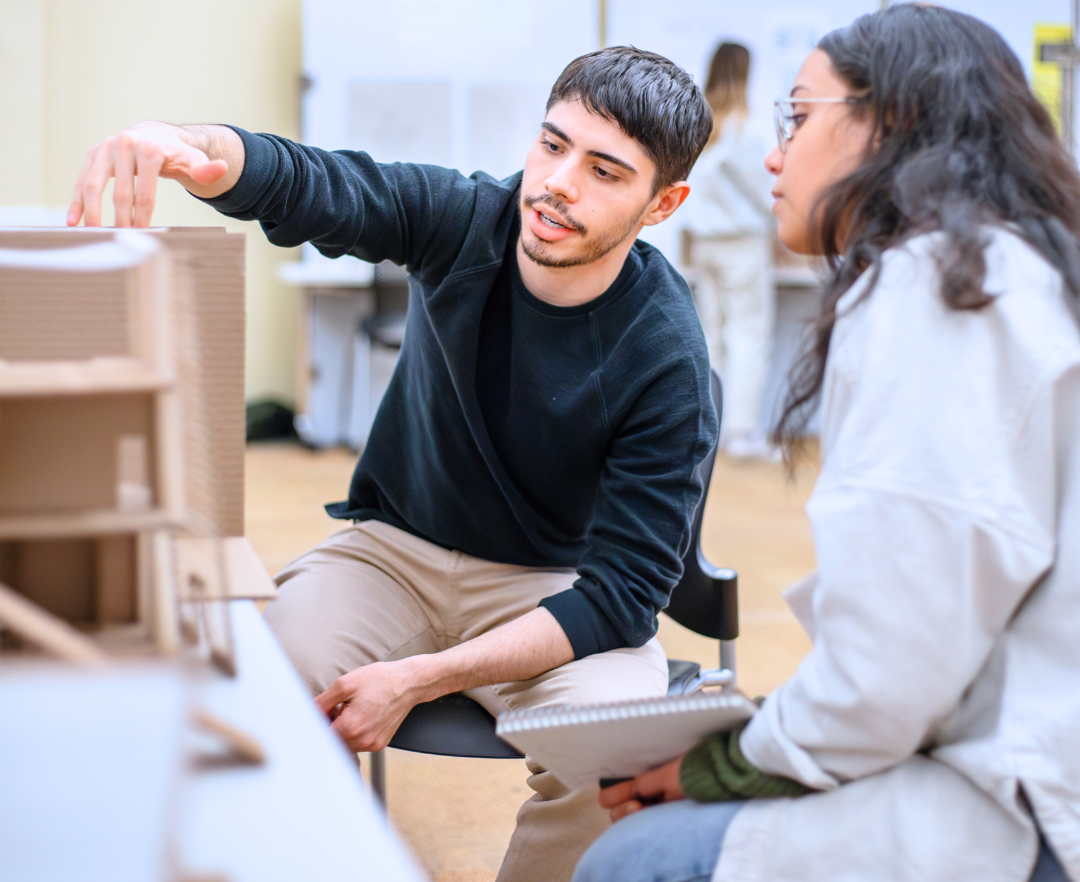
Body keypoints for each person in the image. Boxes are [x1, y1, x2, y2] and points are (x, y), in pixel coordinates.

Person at [67, 47, 718, 882]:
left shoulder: (666, 356)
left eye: (604, 171)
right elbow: (322, 185)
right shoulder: (465, 219)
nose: (558, 184)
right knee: (253, 697)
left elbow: (624, 596)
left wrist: (422, 676)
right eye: (552, 146)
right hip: (393, 554)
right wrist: (186, 145)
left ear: (663, 203)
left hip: (557, 589)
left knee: (617, 758)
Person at [572, 5, 1080, 882]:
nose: (778, 153)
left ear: (896, 126)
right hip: (1011, 746)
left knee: (631, 861)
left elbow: (890, 672)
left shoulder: (938, 293)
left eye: (800, 118)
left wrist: (721, 765)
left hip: (1020, 806)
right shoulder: (1013, 270)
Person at [681, 42, 776, 458]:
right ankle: (741, 432)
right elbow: (767, 191)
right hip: (741, 245)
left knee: (710, 336)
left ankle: (710, 428)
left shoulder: (700, 127)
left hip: (705, 245)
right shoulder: (744, 129)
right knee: (749, 334)